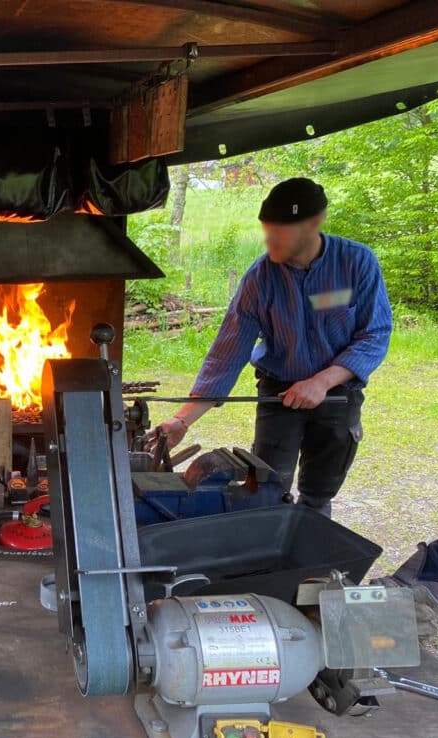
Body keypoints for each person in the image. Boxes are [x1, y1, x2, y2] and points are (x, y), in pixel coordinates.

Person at [150, 178, 392, 517]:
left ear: (313, 223)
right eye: (267, 231)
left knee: (318, 494)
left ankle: (308, 555)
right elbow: (227, 355)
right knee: (266, 487)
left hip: (338, 392)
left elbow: (375, 334)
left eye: (280, 232)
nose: (270, 241)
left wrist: (322, 381)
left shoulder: (356, 264)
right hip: (279, 394)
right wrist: (182, 420)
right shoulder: (259, 279)